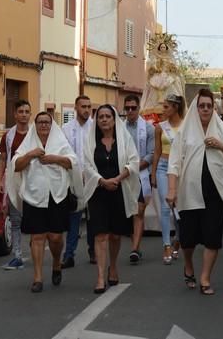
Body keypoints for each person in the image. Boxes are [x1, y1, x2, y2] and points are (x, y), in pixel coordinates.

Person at [167, 89, 223, 295]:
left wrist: (219, 145)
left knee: (212, 237)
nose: (206, 109)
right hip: (189, 192)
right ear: (196, 108)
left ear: (214, 107)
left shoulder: (222, 129)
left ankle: (205, 277)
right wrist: (172, 190)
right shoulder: (185, 131)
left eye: (209, 106)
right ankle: (189, 265)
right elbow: (174, 163)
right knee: (188, 240)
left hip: (215, 192)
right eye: (202, 106)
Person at [11, 112, 83, 292]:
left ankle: (56, 264)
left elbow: (72, 162)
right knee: (37, 236)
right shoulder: (29, 142)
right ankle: (37, 277)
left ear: (52, 125)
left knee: (56, 237)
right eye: (40, 122)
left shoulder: (60, 141)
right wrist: (31, 155)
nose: (43, 125)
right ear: (35, 125)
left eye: (47, 122)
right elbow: (16, 165)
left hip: (57, 195)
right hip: (34, 196)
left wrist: (54, 159)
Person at [83, 105, 140, 293]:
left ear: (114, 120)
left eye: (108, 116)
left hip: (119, 190)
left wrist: (117, 179)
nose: (104, 119)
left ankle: (113, 266)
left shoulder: (124, 139)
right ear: (97, 120)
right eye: (101, 117)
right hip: (98, 192)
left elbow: (133, 161)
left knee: (115, 234)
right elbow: (86, 165)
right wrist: (101, 181)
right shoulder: (91, 141)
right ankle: (100, 276)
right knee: (100, 235)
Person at [150, 94, 185, 264]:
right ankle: (166, 245)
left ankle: (178, 239)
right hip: (163, 167)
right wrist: (153, 172)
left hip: (181, 169)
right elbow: (156, 151)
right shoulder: (160, 127)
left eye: (166, 107)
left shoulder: (187, 126)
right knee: (166, 206)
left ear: (175, 107)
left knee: (181, 207)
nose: (163, 110)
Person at [0, 99, 31, 270]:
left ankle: (35, 249)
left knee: (33, 219)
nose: (24, 115)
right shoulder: (8, 136)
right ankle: (17, 255)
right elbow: (3, 159)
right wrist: (0, 180)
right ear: (15, 114)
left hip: (33, 181)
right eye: (21, 112)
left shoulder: (35, 133)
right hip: (13, 181)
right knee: (15, 219)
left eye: (27, 112)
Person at [61, 95, 94, 268]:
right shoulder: (66, 129)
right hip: (73, 180)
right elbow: (65, 153)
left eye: (89, 106)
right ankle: (69, 254)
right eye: (83, 106)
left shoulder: (96, 127)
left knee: (93, 217)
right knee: (74, 217)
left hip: (93, 179)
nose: (87, 110)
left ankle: (93, 250)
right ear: (76, 107)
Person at [123, 95, 155, 265]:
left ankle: (135, 248)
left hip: (141, 174)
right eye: (127, 108)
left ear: (138, 108)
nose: (130, 111)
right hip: (123, 175)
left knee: (139, 211)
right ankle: (134, 242)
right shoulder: (119, 128)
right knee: (128, 212)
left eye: (133, 108)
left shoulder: (148, 129)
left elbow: (151, 154)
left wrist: (135, 168)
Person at [140, 35, 185, 117]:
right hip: (158, 74)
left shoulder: (170, 58)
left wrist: (171, 68)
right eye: (161, 47)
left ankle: (174, 104)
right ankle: (153, 105)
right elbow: (152, 68)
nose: (163, 49)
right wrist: (155, 68)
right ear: (159, 48)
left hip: (168, 74)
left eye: (164, 47)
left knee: (176, 81)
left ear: (166, 48)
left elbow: (174, 68)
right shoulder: (155, 58)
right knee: (152, 84)